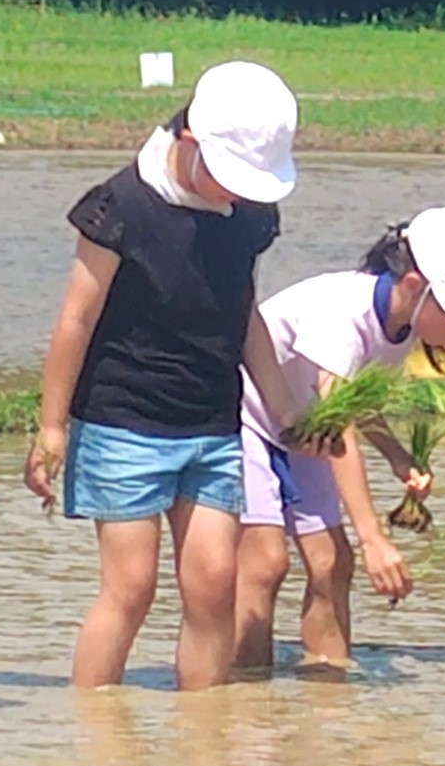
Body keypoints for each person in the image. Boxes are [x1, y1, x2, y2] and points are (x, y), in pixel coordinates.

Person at [29, 61, 300, 692]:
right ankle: (96, 731)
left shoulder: (250, 217)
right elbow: (75, 318)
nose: (234, 195)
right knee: (131, 587)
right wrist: (51, 425)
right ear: (188, 142)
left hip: (211, 423)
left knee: (213, 585)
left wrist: (283, 406)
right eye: (227, 178)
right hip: (123, 419)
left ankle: (203, 738)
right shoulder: (121, 205)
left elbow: (244, 313)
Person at [235, 208, 445, 671]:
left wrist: (398, 457)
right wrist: (373, 538)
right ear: (415, 285)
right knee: (265, 561)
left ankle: (328, 689)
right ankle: (244, 694)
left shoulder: (400, 327)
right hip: (245, 416)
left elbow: (356, 404)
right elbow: (339, 421)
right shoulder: (344, 312)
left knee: (330, 565)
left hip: (306, 433)